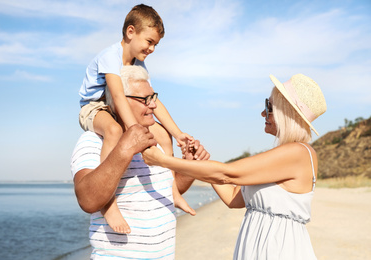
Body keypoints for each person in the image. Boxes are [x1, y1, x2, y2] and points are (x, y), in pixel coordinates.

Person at [142, 73, 327, 259]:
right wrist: (200, 161)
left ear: (287, 112)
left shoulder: (298, 152)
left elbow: (227, 174)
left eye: (269, 106)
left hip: (279, 248)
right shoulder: (286, 154)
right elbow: (233, 198)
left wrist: (162, 160)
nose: (263, 113)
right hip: (260, 245)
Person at [71, 65, 210, 259]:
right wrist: (125, 149)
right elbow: (88, 200)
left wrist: (190, 165)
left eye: (153, 97)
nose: (153, 105)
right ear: (121, 102)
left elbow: (167, 190)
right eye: (146, 100)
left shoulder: (155, 140)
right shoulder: (93, 141)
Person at [78, 4, 194, 233]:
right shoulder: (110, 57)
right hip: (93, 107)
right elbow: (120, 97)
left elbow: (151, 100)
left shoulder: (137, 62)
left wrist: (178, 133)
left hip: (114, 104)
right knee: (113, 131)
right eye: (149, 42)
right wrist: (134, 131)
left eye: (156, 44)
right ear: (130, 32)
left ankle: (173, 191)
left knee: (161, 133)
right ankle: (108, 204)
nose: (152, 48)